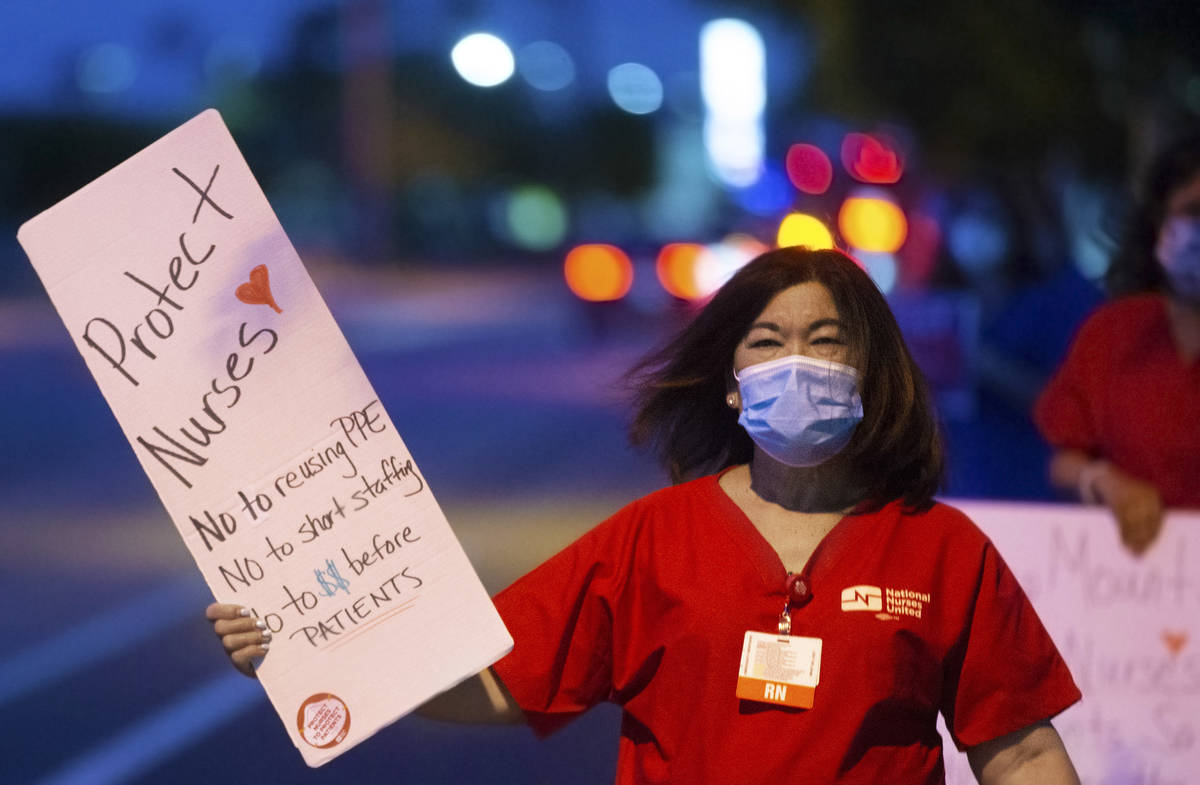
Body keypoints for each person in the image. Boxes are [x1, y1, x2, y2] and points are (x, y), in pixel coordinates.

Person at [209, 248, 1081, 784]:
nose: (798, 361)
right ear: (734, 384)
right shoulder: (652, 538)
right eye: (768, 341)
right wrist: (319, 645)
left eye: (826, 339)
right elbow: (491, 682)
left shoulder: (945, 550)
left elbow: (1024, 754)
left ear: (870, 370)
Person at [1034, 131, 1200, 554]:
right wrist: (1106, 483)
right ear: (1160, 224)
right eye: (1194, 214)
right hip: (1128, 587)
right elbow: (1062, 463)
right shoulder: (1113, 334)